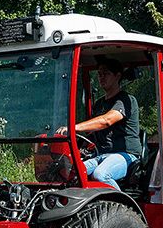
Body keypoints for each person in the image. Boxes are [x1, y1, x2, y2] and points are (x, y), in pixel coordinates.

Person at [57, 58, 140, 190]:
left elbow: (106, 121)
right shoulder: (99, 104)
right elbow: (92, 130)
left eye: (106, 74)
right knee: (73, 174)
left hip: (126, 155)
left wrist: (73, 128)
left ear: (117, 76)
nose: (101, 77)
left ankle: (122, 207)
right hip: (101, 155)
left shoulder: (126, 100)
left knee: (100, 174)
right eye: (100, 74)